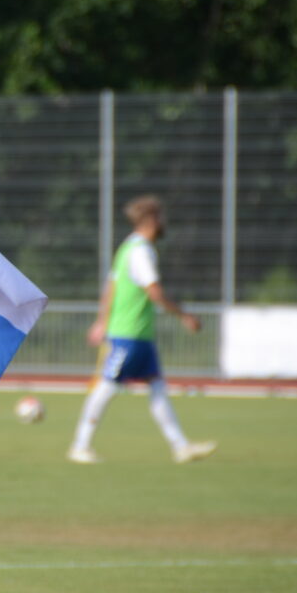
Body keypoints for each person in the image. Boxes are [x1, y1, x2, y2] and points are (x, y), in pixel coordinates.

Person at [68, 195, 216, 465]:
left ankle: (180, 446)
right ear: (150, 220)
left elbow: (111, 286)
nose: (163, 222)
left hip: (140, 335)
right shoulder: (141, 251)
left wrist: (101, 321)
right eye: (160, 217)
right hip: (128, 335)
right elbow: (154, 291)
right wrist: (184, 315)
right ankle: (80, 445)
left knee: (157, 388)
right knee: (107, 388)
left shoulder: (128, 247)